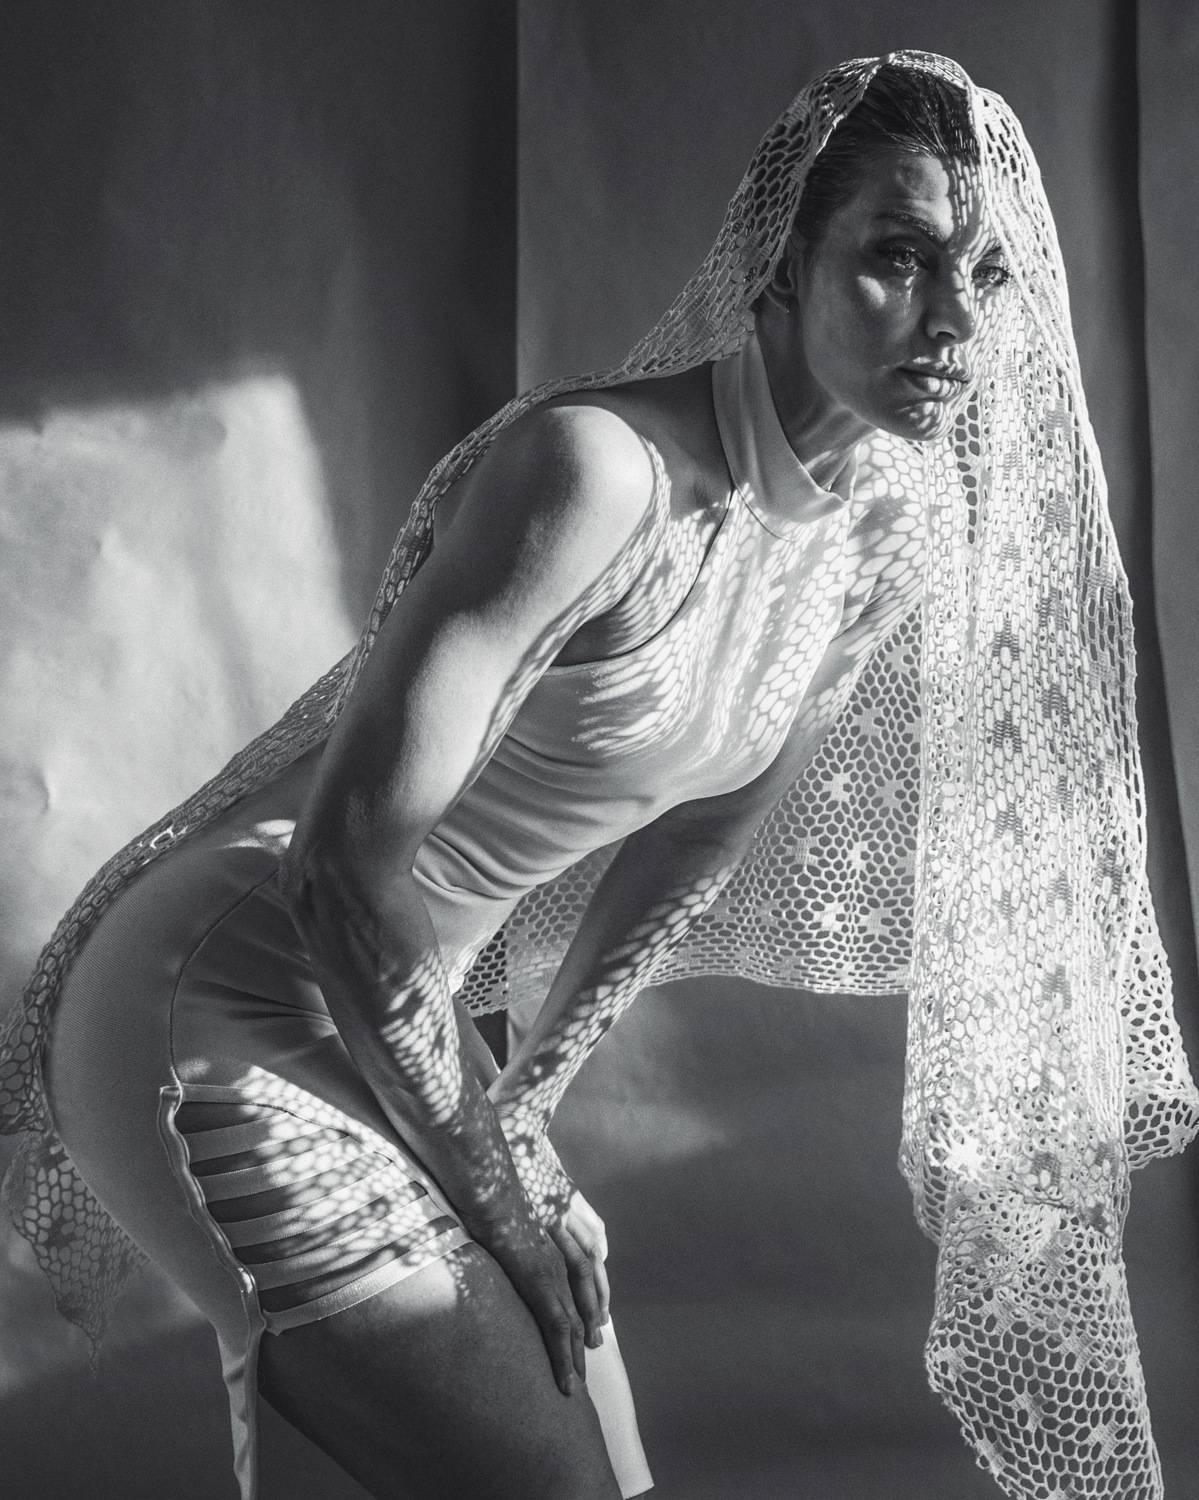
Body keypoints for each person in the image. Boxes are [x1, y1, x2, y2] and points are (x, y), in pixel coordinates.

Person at [1, 49, 1194, 1500]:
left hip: (404, 1023)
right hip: (224, 993)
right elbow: (340, 871)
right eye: (898, 256)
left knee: (614, 1477)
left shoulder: (876, 541)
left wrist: (525, 1116)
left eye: (985, 274)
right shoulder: (596, 472)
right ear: (779, 263)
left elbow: (693, 844)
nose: (954, 320)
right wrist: (500, 1193)